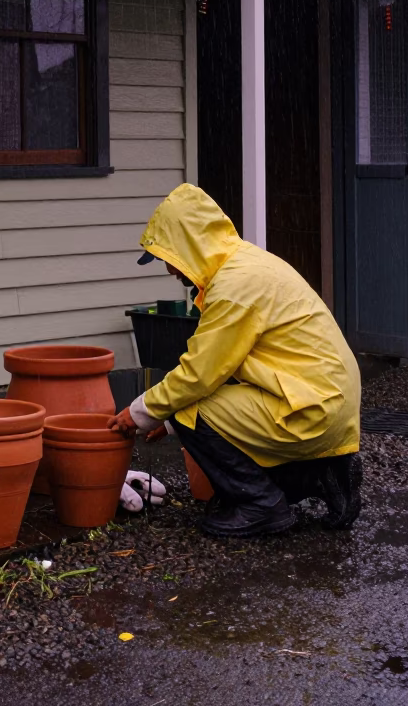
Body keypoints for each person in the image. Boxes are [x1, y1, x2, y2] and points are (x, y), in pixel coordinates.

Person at [109, 183, 362, 539]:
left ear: (189, 246)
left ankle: (262, 507)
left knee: (188, 411)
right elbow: (225, 369)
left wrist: (139, 412)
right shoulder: (248, 265)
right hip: (323, 399)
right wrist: (163, 422)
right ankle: (320, 477)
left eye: (168, 258)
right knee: (186, 414)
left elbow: (199, 375)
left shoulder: (234, 287)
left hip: (308, 406)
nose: (169, 270)